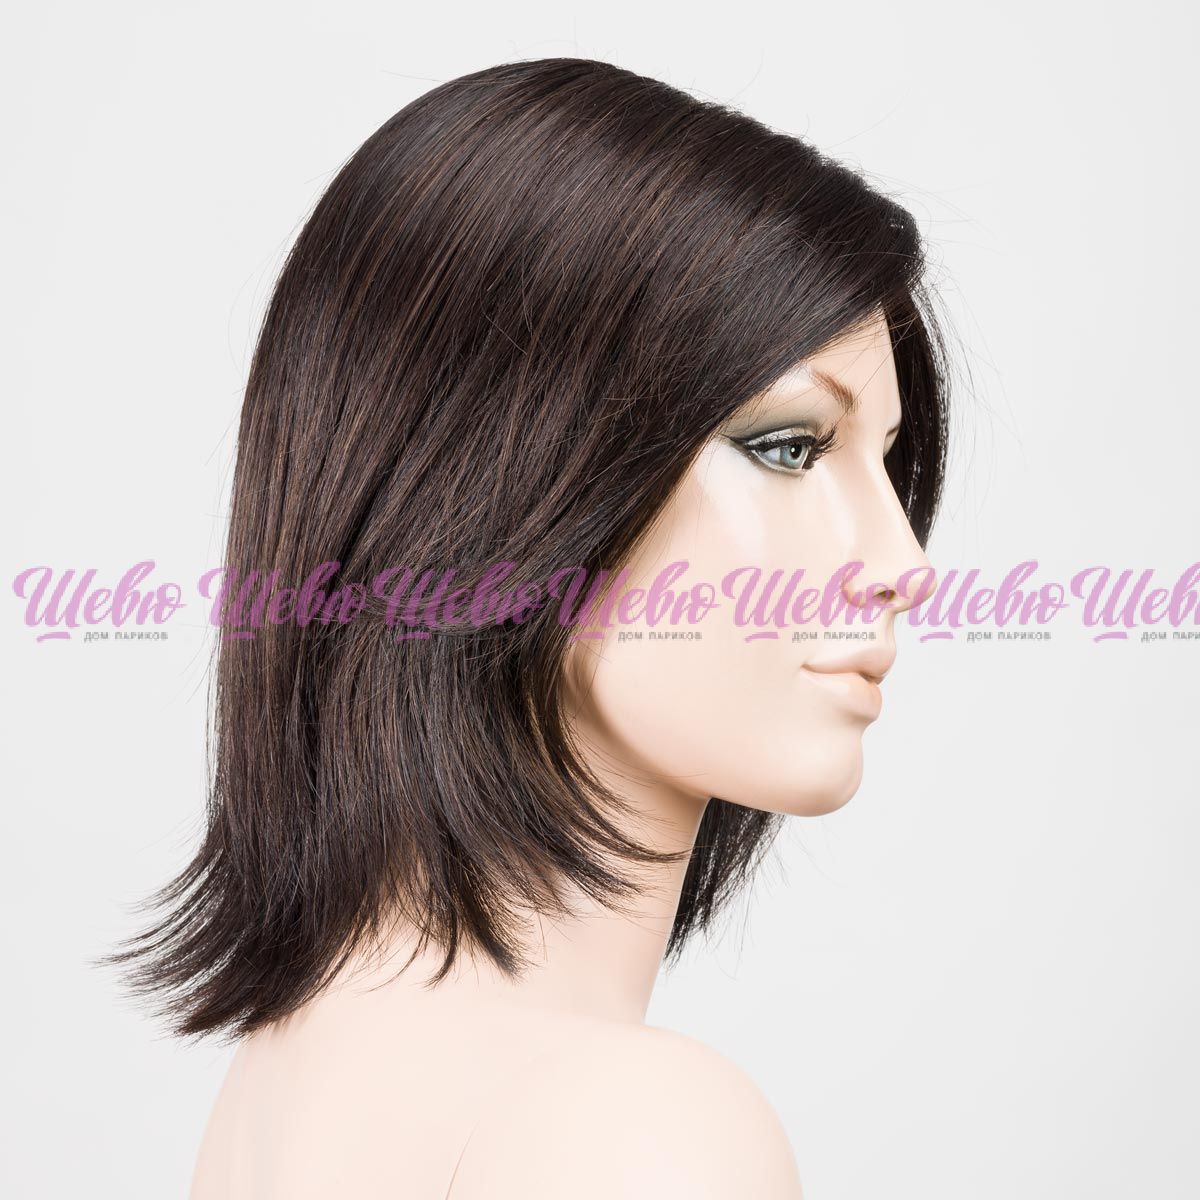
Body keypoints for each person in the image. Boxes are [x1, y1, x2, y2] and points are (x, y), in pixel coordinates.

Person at [113, 55, 949, 1198]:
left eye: (887, 462)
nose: (901, 565)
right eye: (790, 446)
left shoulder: (299, 1067)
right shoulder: (634, 1132)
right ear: (506, 479)